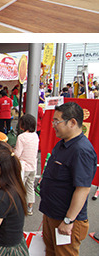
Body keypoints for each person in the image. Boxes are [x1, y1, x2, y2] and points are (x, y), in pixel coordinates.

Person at [39, 101, 98, 256]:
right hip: (51, 213)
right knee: (51, 253)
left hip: (65, 220)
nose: (53, 125)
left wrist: (68, 220)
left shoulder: (81, 150)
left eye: (57, 121)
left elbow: (83, 189)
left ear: (72, 122)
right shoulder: (63, 144)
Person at [15, 113, 39, 216]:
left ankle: (19, 207)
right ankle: (30, 208)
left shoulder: (21, 137)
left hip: (23, 167)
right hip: (33, 166)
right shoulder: (35, 135)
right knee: (30, 186)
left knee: (20, 187)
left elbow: (17, 154)